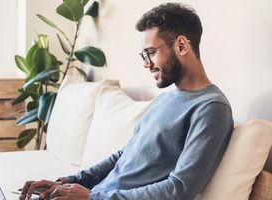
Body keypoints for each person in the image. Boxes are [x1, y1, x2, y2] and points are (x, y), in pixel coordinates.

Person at [20, 3, 233, 200]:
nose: (146, 64)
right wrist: (69, 182)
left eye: (151, 53)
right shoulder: (164, 99)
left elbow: (179, 189)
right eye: (144, 55)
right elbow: (124, 155)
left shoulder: (211, 108)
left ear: (182, 46)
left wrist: (91, 197)